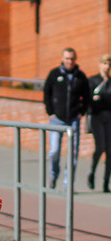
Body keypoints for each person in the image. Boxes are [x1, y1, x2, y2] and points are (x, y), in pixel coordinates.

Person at [43, 47, 90, 189]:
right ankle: (53, 174)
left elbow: (86, 96)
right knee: (54, 151)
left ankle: (67, 183)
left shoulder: (80, 76)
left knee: (73, 153)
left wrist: (81, 112)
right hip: (57, 119)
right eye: (67, 59)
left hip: (73, 120)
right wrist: (50, 112)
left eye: (72, 59)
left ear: (75, 60)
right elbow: (47, 94)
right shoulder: (54, 74)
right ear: (63, 59)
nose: (69, 61)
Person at [87, 54, 111, 193]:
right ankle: (92, 172)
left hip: (109, 117)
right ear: (100, 65)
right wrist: (94, 99)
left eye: (109, 64)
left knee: (110, 150)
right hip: (97, 117)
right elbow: (88, 99)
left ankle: (106, 182)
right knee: (100, 147)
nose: (107, 66)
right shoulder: (93, 81)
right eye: (105, 63)